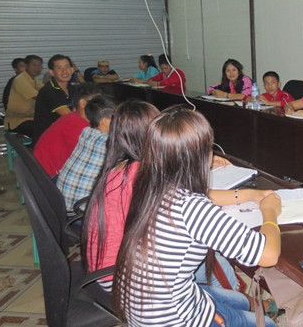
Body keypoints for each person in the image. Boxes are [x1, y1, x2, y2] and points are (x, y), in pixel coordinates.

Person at [111, 106, 281, 327]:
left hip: (146, 311)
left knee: (238, 300)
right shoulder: (192, 208)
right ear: (200, 157)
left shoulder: (149, 189)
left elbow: (198, 202)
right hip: (174, 320)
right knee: (267, 324)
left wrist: (247, 195)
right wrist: (270, 211)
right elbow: (268, 255)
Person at [82, 100, 248, 293]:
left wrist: (203, 160)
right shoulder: (140, 173)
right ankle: (242, 303)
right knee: (214, 261)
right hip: (121, 274)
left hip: (108, 267)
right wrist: (244, 194)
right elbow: (185, 199)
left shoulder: (121, 166)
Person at [56, 95, 116, 211]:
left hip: (63, 203)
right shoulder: (107, 143)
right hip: (80, 210)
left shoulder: (86, 133)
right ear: (105, 121)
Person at [33, 83, 102, 177]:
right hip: (48, 176)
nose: (101, 107)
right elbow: (93, 158)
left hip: (42, 170)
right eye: (97, 103)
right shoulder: (78, 126)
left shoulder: (74, 118)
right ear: (82, 103)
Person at [33, 54, 75, 143]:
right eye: (59, 68)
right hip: (48, 140)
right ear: (52, 72)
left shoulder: (72, 89)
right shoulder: (49, 90)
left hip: (64, 134)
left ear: (72, 70)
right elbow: (69, 116)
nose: (64, 71)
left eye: (67, 67)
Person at [4, 55, 44, 137]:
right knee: (43, 131)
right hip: (17, 121)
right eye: (34, 65)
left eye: (39, 65)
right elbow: (39, 97)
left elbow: (46, 90)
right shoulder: (20, 80)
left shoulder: (33, 80)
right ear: (26, 66)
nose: (37, 68)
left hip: (30, 118)